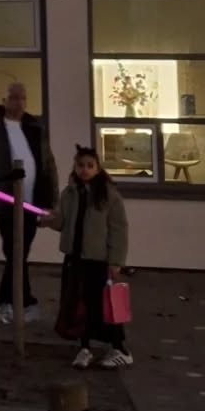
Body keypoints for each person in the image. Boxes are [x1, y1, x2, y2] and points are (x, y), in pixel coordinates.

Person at [0, 81, 58, 325]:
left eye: (22, 98)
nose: (19, 102)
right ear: (4, 100)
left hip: (31, 202)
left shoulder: (34, 127)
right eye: (14, 97)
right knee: (16, 250)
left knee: (19, 252)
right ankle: (19, 302)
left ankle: (11, 302)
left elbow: (48, 164)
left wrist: (52, 201)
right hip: (4, 200)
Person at [47, 146, 132, 369]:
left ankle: (120, 348)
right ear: (75, 167)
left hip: (98, 260)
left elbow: (119, 230)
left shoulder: (108, 195)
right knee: (78, 305)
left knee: (103, 305)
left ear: (98, 168)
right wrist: (49, 219)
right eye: (80, 165)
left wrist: (116, 261)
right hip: (75, 259)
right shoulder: (69, 193)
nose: (84, 170)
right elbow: (62, 223)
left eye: (89, 166)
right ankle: (84, 348)